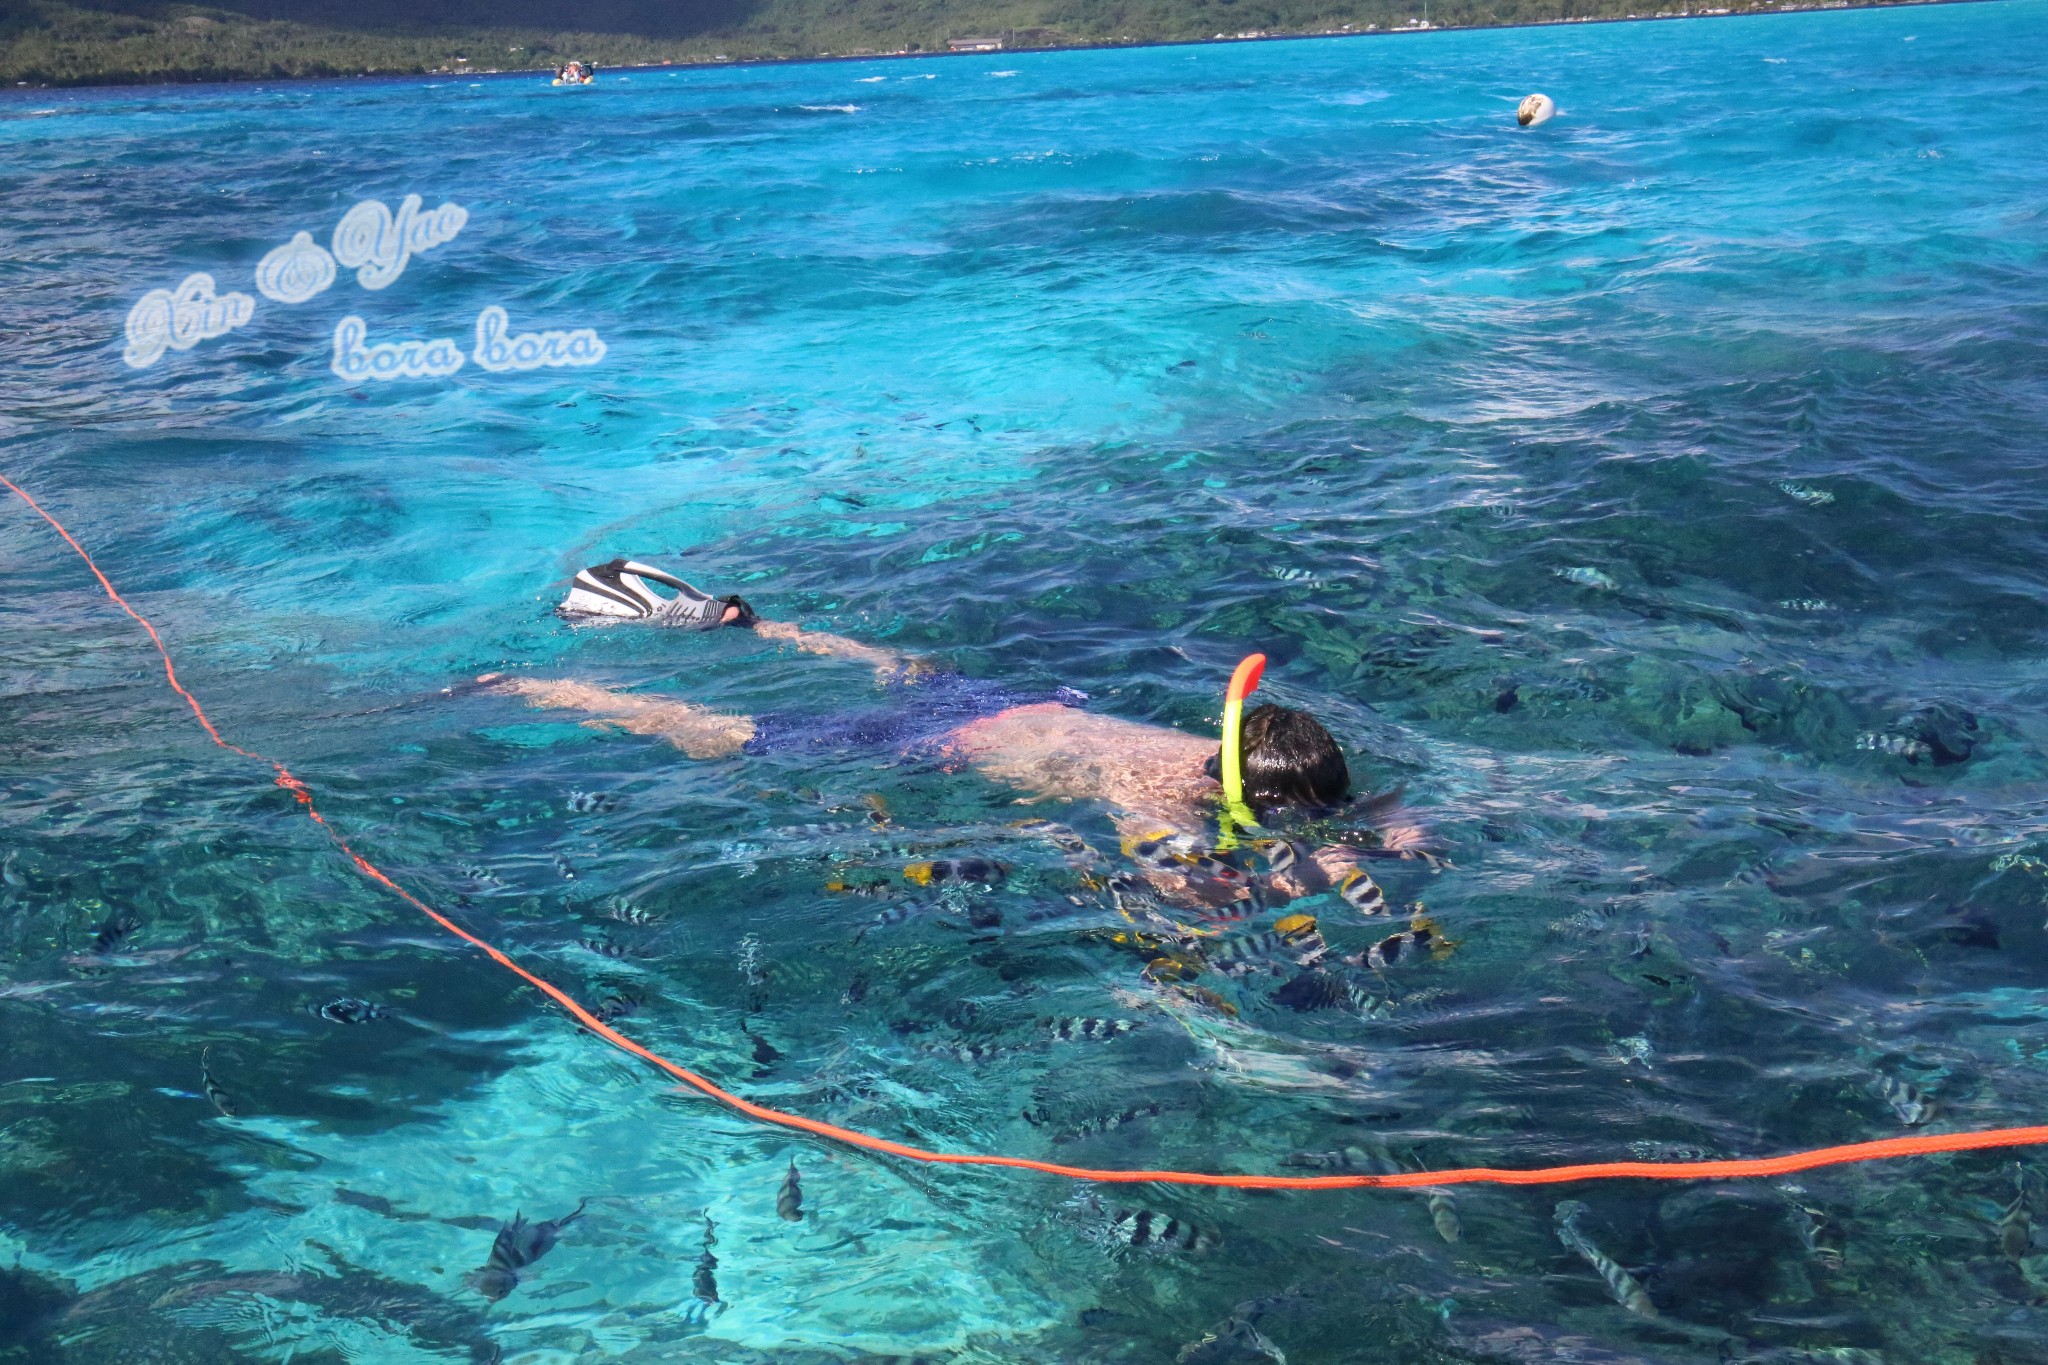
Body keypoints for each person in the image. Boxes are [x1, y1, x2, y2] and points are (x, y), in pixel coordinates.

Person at [484, 560, 1434, 909]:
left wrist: (1389, 827)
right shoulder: (1151, 793)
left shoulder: (1230, 758)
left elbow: (1353, 807)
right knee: (721, 737)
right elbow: (1188, 899)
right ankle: (534, 684)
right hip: (933, 746)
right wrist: (1305, 872)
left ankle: (750, 625)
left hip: (1018, 707)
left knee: (901, 664)